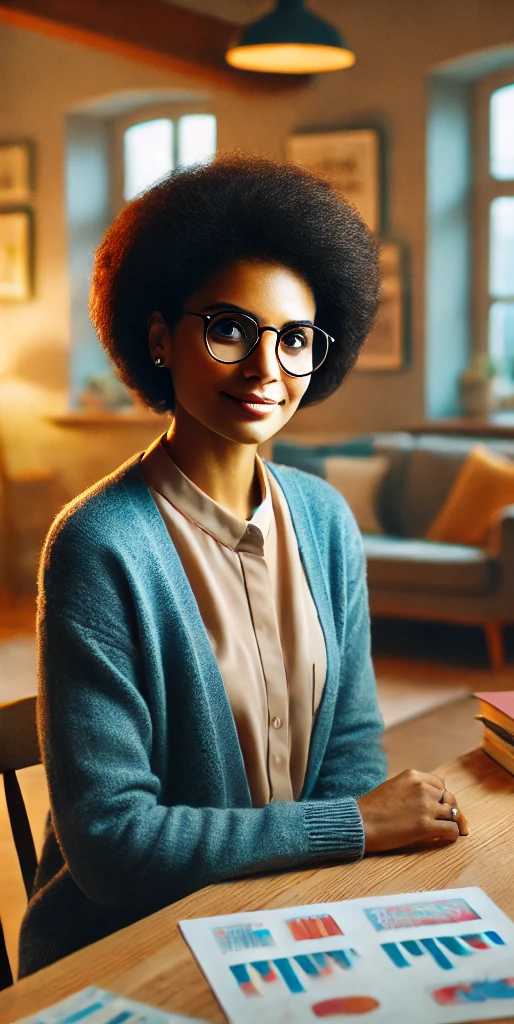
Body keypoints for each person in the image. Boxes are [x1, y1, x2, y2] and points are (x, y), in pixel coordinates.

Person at [18, 153, 469, 977]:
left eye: (295, 339)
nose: (267, 368)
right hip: (129, 952)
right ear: (160, 337)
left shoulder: (327, 519)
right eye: (230, 328)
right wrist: (351, 826)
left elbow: (353, 760)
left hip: (284, 914)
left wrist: (340, 846)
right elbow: (113, 847)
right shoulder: (98, 545)